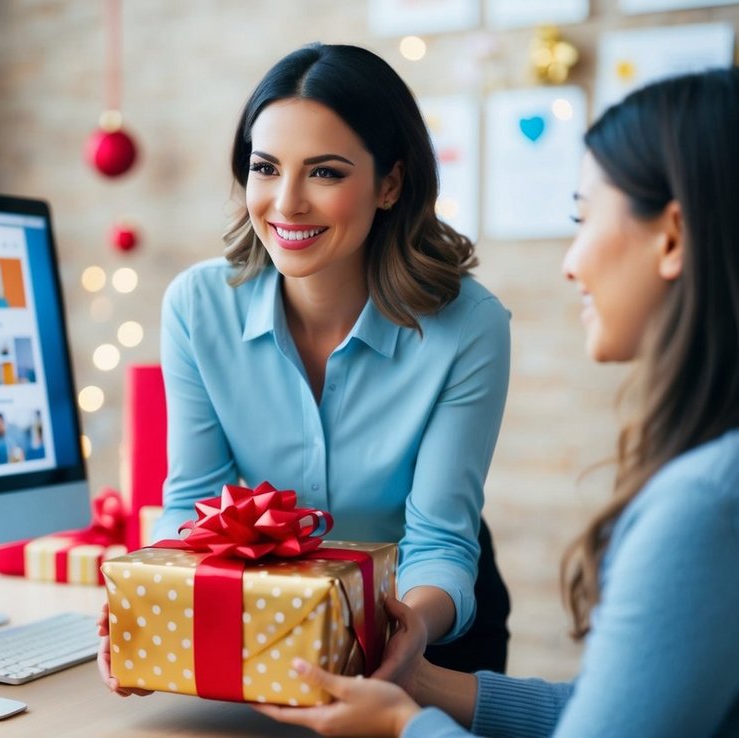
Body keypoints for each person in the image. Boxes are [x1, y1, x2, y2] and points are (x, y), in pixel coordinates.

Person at [257, 67, 739, 737]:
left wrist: (403, 726)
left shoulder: (702, 507)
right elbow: (603, 713)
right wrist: (414, 685)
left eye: (583, 217)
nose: (569, 262)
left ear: (671, 238)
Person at [98, 42, 513, 694]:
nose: (286, 203)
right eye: (266, 168)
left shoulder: (467, 325)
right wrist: (159, 602)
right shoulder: (197, 306)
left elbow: (438, 543)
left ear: (390, 184)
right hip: (271, 623)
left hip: (421, 619)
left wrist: (398, 631)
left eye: (323, 173)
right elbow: (191, 502)